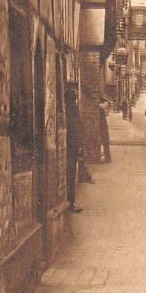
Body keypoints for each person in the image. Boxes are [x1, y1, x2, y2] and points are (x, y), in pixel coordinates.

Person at [65, 84, 83, 213]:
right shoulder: (72, 110)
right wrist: (79, 145)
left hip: (71, 146)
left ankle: (70, 202)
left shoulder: (70, 109)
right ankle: (70, 203)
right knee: (70, 175)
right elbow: (76, 129)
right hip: (72, 147)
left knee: (70, 175)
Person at [99, 95, 112, 162]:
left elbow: (108, 102)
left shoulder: (100, 107)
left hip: (101, 124)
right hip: (102, 124)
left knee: (104, 140)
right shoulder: (101, 107)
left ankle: (107, 157)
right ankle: (107, 157)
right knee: (105, 140)